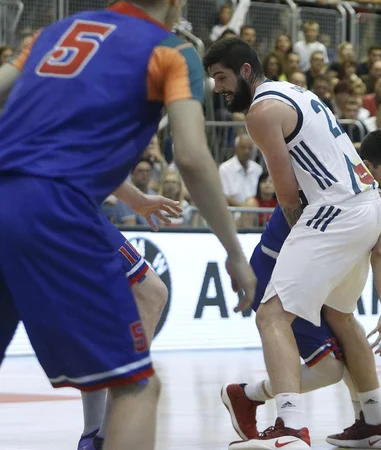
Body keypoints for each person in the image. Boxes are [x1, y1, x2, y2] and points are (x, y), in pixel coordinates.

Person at [0, 3, 257, 450]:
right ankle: (94, 437)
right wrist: (235, 251)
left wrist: (135, 198)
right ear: (177, 3)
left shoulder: (57, 32)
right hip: (54, 209)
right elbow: (193, 158)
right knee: (137, 387)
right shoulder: (172, 52)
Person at [203, 38, 381, 449]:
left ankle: (289, 426)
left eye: (221, 77)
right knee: (342, 319)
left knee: (271, 317)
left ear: (243, 71)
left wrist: (313, 235)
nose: (217, 88)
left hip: (335, 210)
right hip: (369, 203)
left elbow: (288, 195)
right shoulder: (296, 91)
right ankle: (375, 424)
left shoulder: (260, 112)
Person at [221, 130, 381, 448]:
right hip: (275, 269)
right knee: (329, 366)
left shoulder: (370, 196)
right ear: (365, 165)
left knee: (345, 329)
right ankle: (252, 399)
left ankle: (374, 421)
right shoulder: (323, 180)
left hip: (311, 269)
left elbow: (355, 239)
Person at [79, 204, 173, 450]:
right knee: (152, 293)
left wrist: (134, 197)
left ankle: (93, 435)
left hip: (67, 199)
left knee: (97, 311)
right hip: (67, 202)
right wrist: (135, 197)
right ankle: (103, 436)